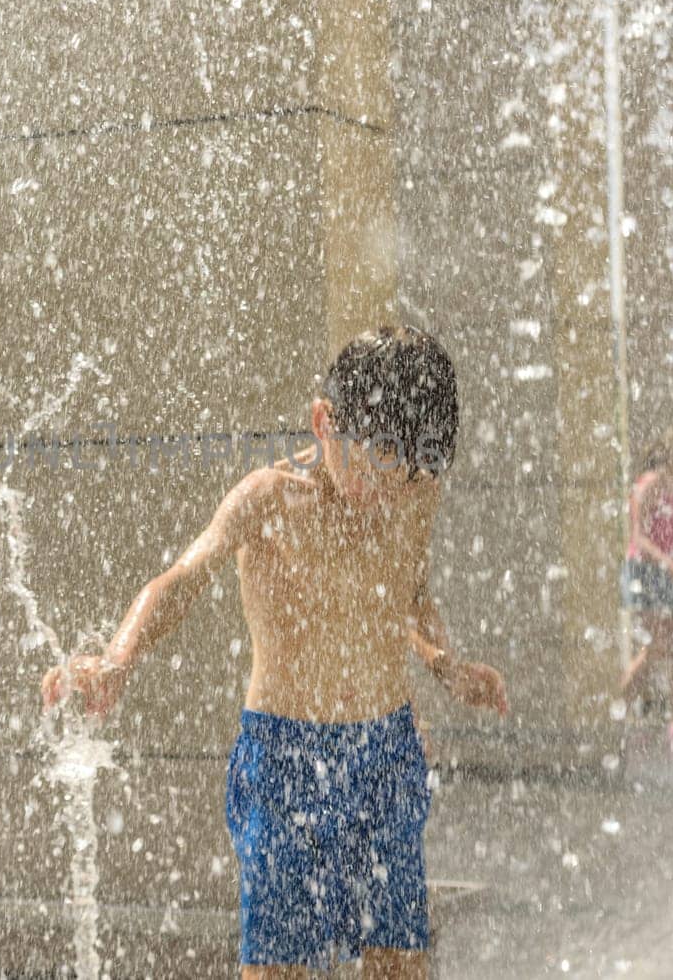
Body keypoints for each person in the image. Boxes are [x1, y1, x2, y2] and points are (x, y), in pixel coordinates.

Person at [41, 326, 508, 979]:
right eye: (374, 463)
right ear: (324, 422)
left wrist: (444, 663)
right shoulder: (268, 498)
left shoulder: (414, 493)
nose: (387, 488)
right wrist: (117, 660)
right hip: (286, 762)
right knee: (280, 968)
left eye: (406, 472)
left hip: (386, 755)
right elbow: (182, 578)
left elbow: (408, 588)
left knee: (400, 962)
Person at [617, 428, 673, 748]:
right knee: (656, 648)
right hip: (646, 572)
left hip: (667, 573)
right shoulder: (648, 484)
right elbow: (638, 538)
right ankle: (618, 708)